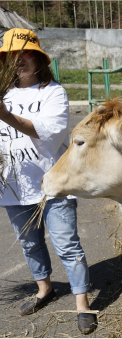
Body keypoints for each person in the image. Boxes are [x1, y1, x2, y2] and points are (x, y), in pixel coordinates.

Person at [0, 29, 96, 335]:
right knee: (29, 243)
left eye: (25, 54)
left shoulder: (53, 92)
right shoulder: (3, 93)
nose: (19, 60)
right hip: (12, 184)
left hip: (52, 182)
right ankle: (44, 289)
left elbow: (50, 133)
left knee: (67, 244)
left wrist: (5, 115)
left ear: (40, 59)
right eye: (10, 56)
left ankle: (82, 305)